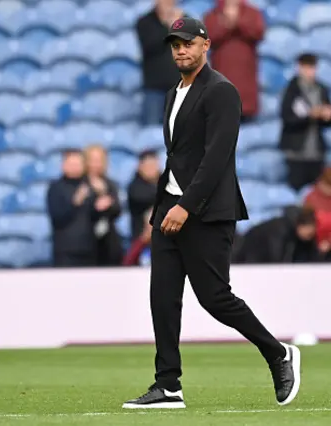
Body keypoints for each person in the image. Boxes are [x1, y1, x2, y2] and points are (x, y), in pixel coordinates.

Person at [123, 17, 301, 410]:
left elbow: (216, 158)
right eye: (175, 44)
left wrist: (186, 206)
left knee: (215, 298)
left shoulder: (221, 91)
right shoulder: (173, 93)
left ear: (205, 44)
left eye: (188, 42)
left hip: (203, 212)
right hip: (170, 209)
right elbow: (179, 156)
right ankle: (168, 385)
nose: (180, 50)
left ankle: (278, 354)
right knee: (162, 297)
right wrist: (166, 204)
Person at [279, 53, 331, 190]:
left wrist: (329, 116)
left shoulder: (322, 89)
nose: (309, 72)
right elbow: (287, 118)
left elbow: (330, 119)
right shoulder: (291, 90)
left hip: (316, 151)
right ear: (299, 68)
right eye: (306, 67)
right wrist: (310, 115)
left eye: (312, 68)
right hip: (296, 152)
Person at [204, 0, 265, 122]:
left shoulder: (252, 13)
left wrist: (237, 22)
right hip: (222, 88)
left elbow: (258, 32)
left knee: (249, 136)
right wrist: (226, 25)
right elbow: (208, 36)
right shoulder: (213, 14)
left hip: (246, 90)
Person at [136, 0, 186, 125]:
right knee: (151, 134)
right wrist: (169, 28)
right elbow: (150, 45)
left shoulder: (186, 21)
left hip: (180, 88)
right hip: (154, 90)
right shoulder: (145, 22)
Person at [46, 150, 98, 267]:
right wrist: (74, 202)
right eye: (71, 164)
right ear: (63, 165)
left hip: (89, 249)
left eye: (78, 164)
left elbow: (96, 217)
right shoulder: (56, 188)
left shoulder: (90, 186)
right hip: (66, 251)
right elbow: (57, 217)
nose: (75, 168)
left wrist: (100, 206)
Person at [234, 206, 320, 263]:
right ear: (301, 226)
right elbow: (275, 258)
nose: (309, 237)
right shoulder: (279, 230)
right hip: (249, 258)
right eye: (308, 234)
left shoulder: (294, 232)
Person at [85, 145, 124, 266]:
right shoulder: (81, 184)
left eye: (100, 160)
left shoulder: (110, 184)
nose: (97, 164)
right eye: (93, 160)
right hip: (86, 243)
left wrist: (104, 196)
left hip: (109, 242)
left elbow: (117, 210)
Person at [128, 150, 161, 240]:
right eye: (148, 166)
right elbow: (141, 197)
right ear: (140, 167)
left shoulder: (166, 181)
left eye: (153, 165)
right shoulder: (135, 186)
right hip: (141, 239)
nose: (151, 169)